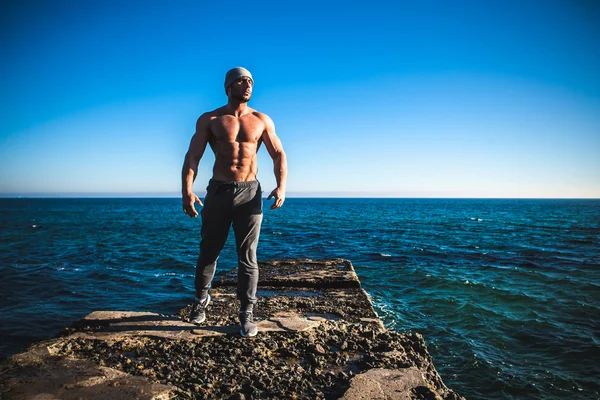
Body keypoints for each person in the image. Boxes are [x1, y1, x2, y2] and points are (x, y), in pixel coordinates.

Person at [181, 67, 287, 337]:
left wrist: (281, 186)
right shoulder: (211, 119)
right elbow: (193, 157)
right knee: (209, 251)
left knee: (248, 257)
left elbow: (278, 155)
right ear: (229, 86)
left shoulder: (262, 120)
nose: (248, 85)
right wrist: (187, 191)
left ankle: (246, 313)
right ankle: (201, 300)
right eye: (242, 81)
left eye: (251, 81)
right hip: (218, 192)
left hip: (250, 193)